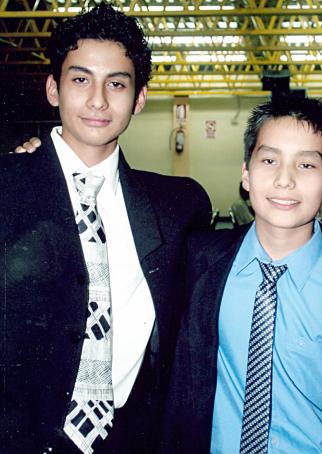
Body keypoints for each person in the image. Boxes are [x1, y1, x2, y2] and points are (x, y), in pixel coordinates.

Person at [0, 3, 211, 454]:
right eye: (80, 80)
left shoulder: (176, 207)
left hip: (130, 441)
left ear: (139, 98)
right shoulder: (7, 188)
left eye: (116, 83)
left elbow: (243, 252)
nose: (98, 100)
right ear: (53, 89)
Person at [162, 96, 322, 453]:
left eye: (307, 165)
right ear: (246, 173)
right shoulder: (195, 260)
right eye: (269, 160)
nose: (284, 179)